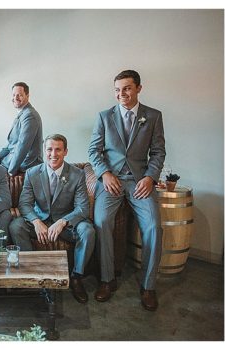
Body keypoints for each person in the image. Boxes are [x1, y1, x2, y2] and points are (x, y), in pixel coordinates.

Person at [87, 70, 166, 311]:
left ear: (139, 88)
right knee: (101, 221)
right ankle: (107, 280)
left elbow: (158, 152)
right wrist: (105, 173)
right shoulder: (104, 116)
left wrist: (151, 177)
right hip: (111, 180)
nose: (122, 94)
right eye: (117, 90)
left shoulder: (153, 116)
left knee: (154, 226)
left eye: (127, 88)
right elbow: (94, 151)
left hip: (139, 181)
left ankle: (148, 285)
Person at [11, 134, 95, 304]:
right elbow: (25, 204)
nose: (53, 154)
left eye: (58, 149)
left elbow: (82, 208)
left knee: (88, 231)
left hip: (65, 224)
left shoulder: (77, 174)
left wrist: (63, 221)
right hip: (40, 221)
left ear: (65, 152)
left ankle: (76, 277)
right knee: (15, 226)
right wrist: (36, 222)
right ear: (45, 150)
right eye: (49, 149)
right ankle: (32, 274)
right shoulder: (32, 173)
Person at [0, 82, 42, 176]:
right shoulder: (23, 113)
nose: (15, 98)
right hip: (13, 159)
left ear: (27, 96)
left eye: (19, 95)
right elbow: (12, 142)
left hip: (26, 164)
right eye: (13, 95)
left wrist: (11, 171)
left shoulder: (29, 115)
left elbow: (22, 146)